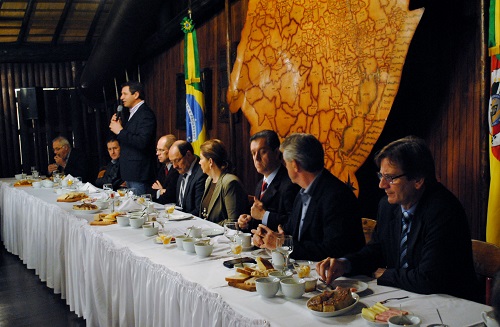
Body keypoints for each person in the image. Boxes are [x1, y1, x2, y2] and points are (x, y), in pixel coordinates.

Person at [316, 136, 479, 301]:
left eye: (390, 178)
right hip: (407, 295)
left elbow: (429, 279)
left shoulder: (443, 210)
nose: (382, 185)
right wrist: (345, 264)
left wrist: (385, 274)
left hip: (450, 303)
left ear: (418, 180)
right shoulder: (388, 205)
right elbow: (376, 250)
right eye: (381, 176)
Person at [252, 133, 365, 261]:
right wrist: (267, 236)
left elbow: (333, 250)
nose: (285, 166)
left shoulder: (337, 196)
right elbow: (289, 231)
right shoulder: (302, 193)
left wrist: (283, 244)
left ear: (295, 165)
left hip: (336, 277)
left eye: (285, 161)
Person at [237, 130, 300, 231]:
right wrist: (247, 221)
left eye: (262, 152)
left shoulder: (290, 183)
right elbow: (259, 219)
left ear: (276, 153)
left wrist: (264, 215)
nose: (256, 158)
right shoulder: (260, 184)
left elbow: (295, 224)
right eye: (253, 153)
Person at [109, 81, 156, 196]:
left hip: (139, 173)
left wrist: (120, 131)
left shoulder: (145, 114)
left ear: (136, 95)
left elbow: (142, 142)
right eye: (121, 94)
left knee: (139, 208)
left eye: (125, 94)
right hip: (130, 172)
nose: (121, 97)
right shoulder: (132, 113)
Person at [199, 139, 248, 226]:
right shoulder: (208, 180)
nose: (199, 162)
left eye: (201, 159)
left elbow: (233, 221)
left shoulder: (230, 183)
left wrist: (209, 227)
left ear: (210, 162)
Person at [168, 140, 207, 216]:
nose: (174, 166)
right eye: (172, 162)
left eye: (177, 160)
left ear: (188, 155)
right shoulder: (183, 169)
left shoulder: (201, 174)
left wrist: (180, 218)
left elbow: (199, 209)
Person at [151, 134, 180, 204]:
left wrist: (161, 191)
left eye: (161, 150)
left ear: (171, 150)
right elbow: (152, 191)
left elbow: (170, 197)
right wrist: (161, 191)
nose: (157, 153)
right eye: (157, 150)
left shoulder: (177, 169)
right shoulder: (162, 167)